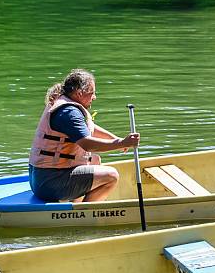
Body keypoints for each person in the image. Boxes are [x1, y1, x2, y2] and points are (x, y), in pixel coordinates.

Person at [29, 69, 140, 202]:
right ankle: (85, 214)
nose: (94, 97)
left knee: (94, 160)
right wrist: (121, 144)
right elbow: (87, 144)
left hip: (41, 178)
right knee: (111, 175)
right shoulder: (69, 112)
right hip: (49, 183)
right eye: (91, 93)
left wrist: (116, 139)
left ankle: (76, 204)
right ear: (79, 92)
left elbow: (88, 128)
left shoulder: (63, 101)